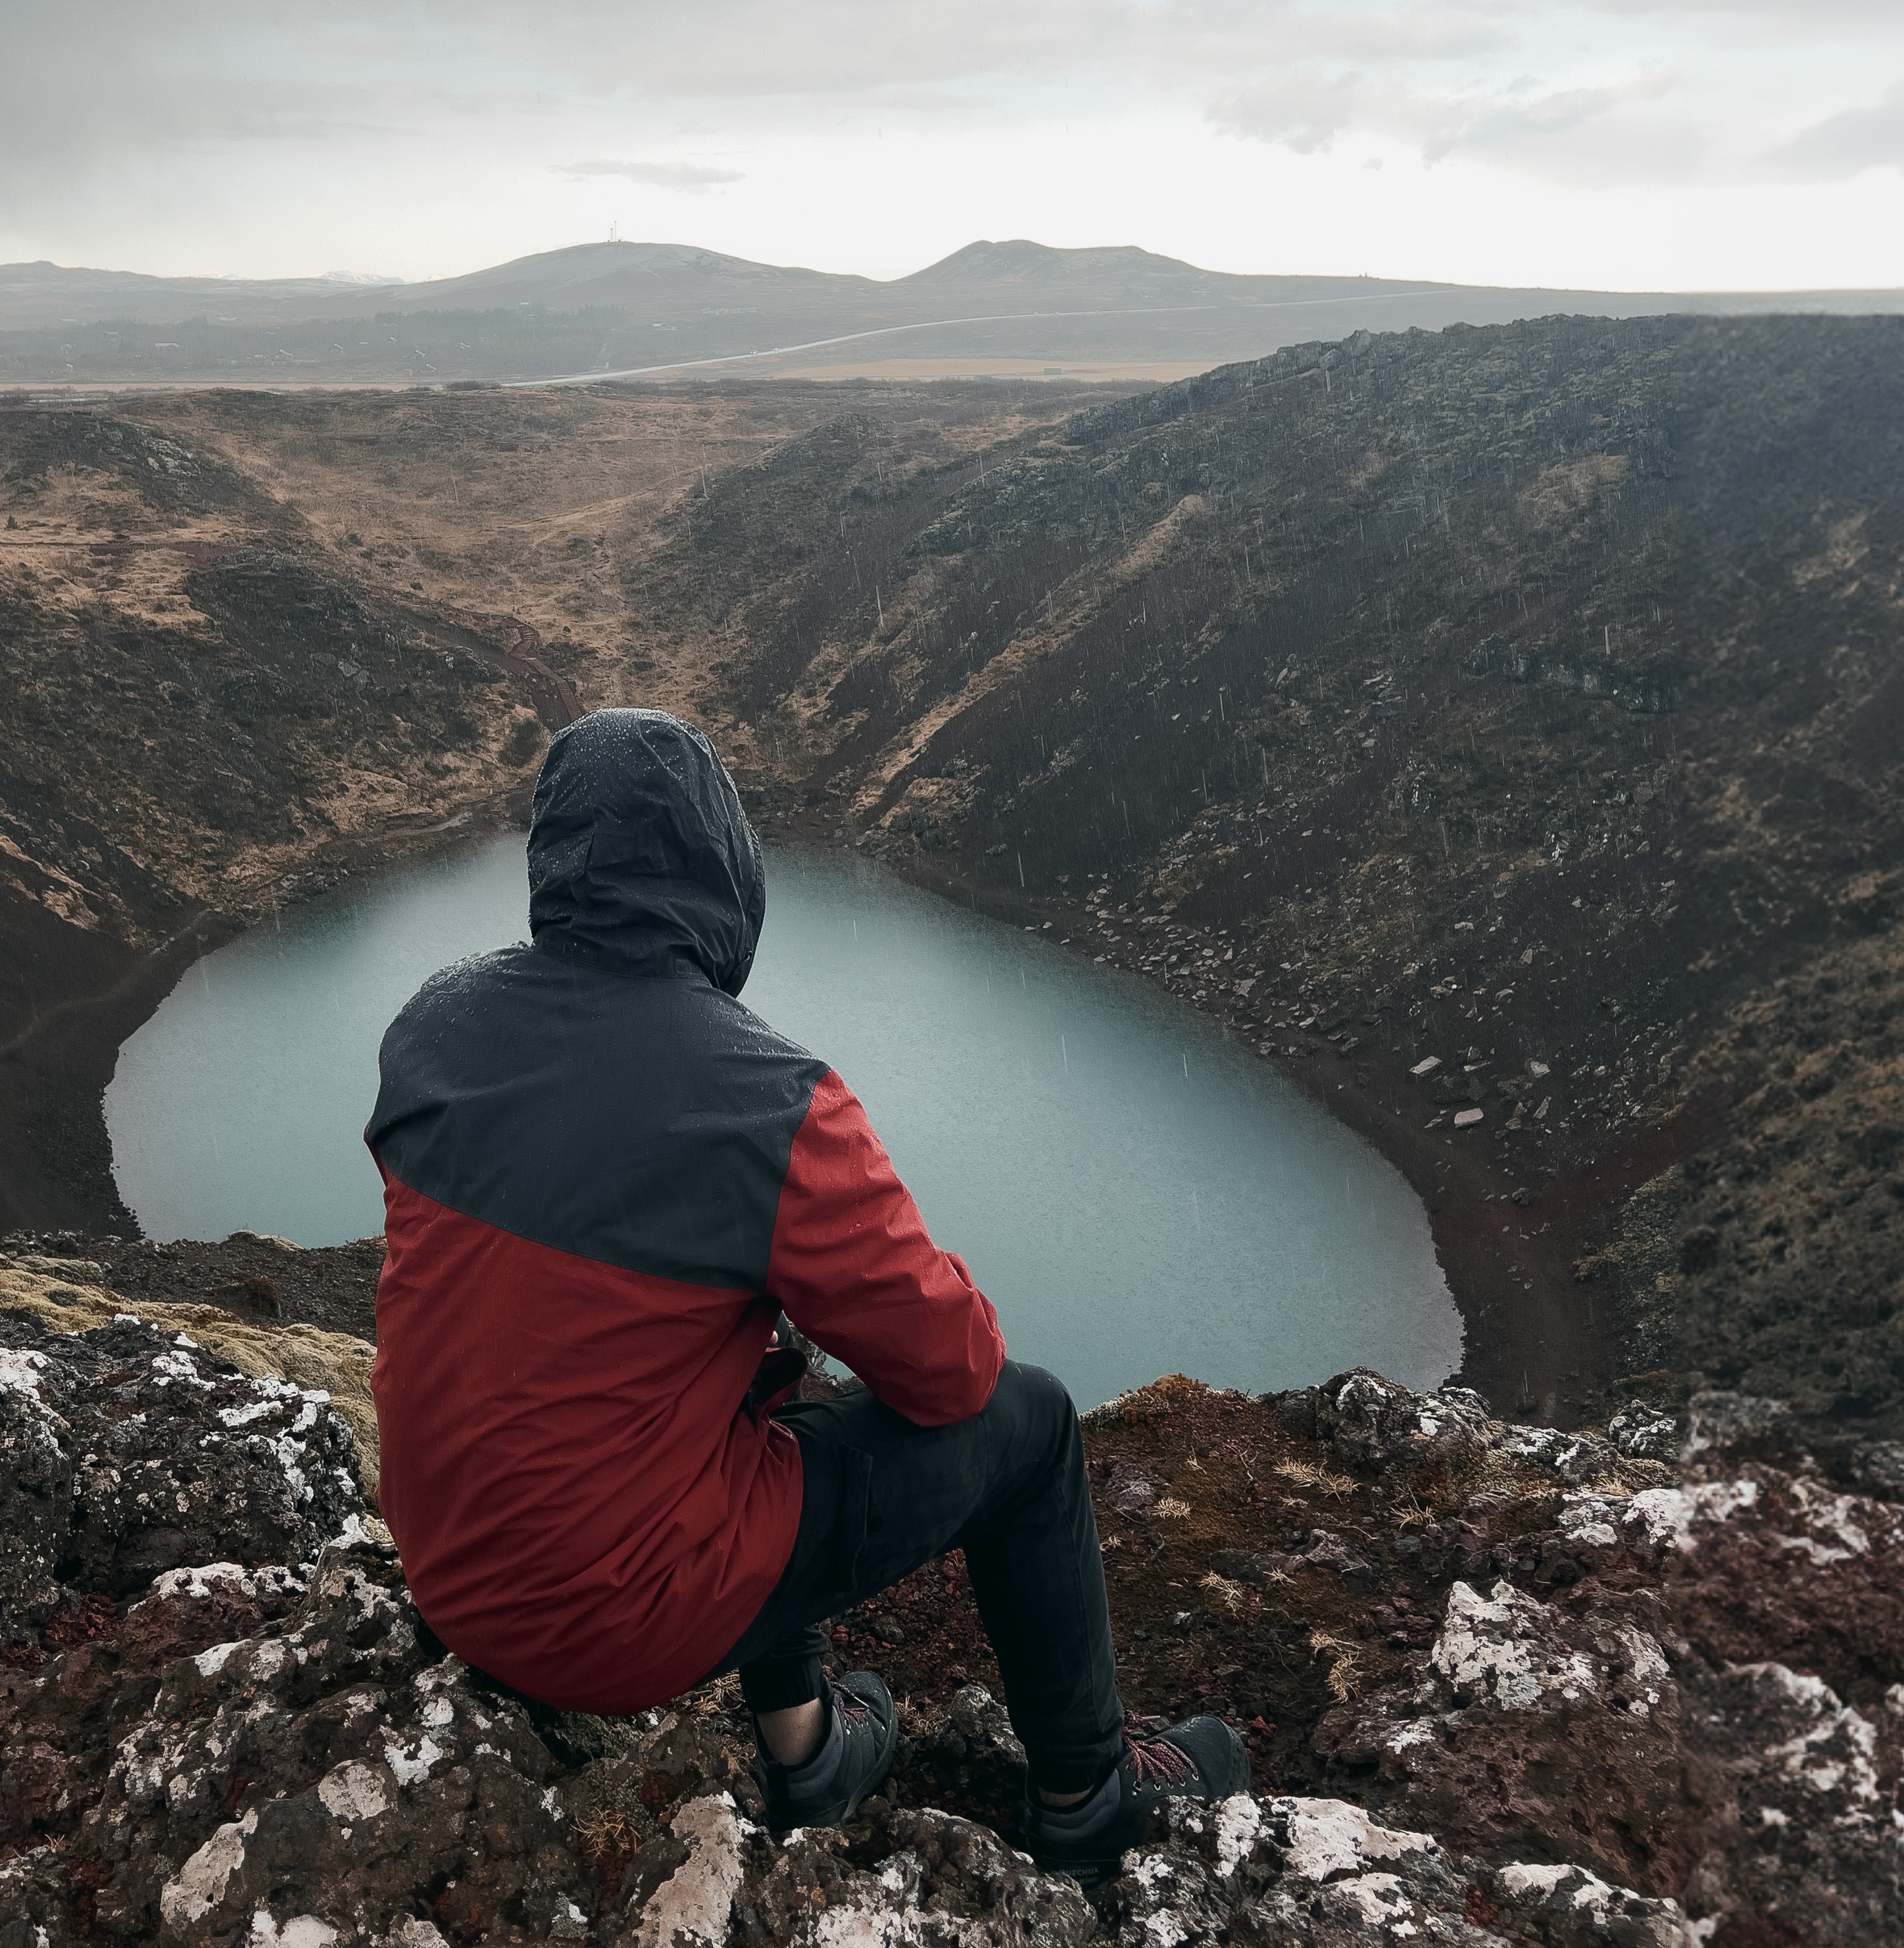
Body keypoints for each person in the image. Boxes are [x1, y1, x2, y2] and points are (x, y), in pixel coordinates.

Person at [362, 707, 1245, 1866]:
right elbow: (951, 1373)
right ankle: (1090, 1794)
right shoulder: (763, 1102)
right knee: (1028, 1427)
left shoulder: (435, 1023)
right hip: (609, 1624)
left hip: (449, 1567)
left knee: (732, 1374)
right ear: (724, 870)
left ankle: (814, 1752)